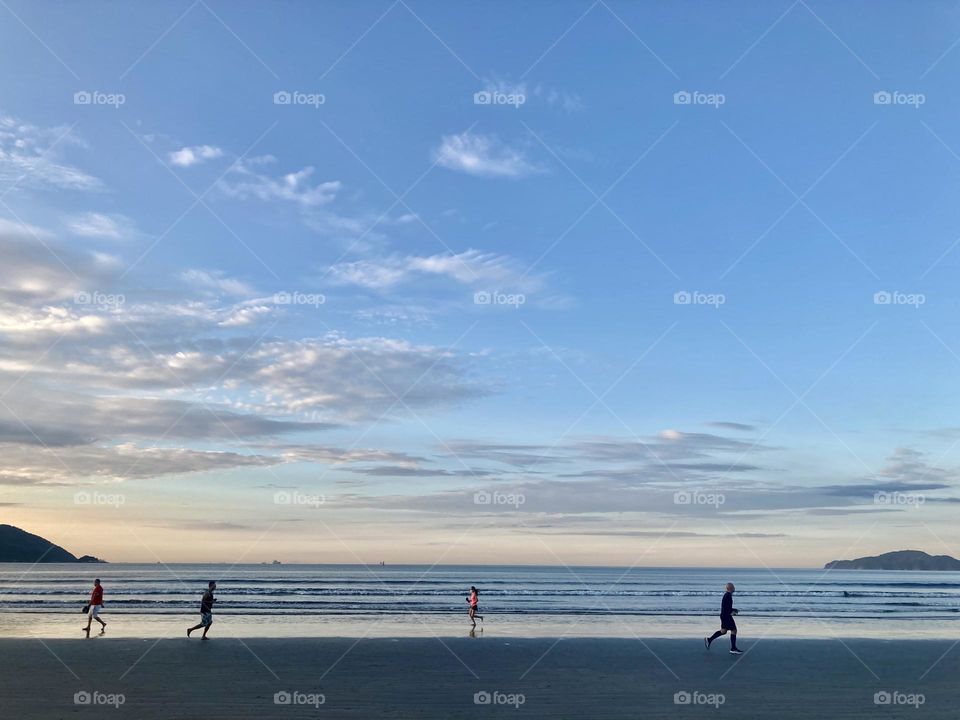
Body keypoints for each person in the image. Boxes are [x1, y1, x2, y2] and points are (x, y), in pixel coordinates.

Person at [704, 582, 743, 654]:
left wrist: (732, 610)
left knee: (723, 631)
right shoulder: (728, 596)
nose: (735, 588)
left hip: (724, 615)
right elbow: (727, 608)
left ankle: (709, 640)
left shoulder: (727, 595)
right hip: (726, 616)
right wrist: (733, 610)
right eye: (733, 587)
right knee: (734, 630)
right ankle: (733, 648)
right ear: (730, 588)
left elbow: (726, 608)